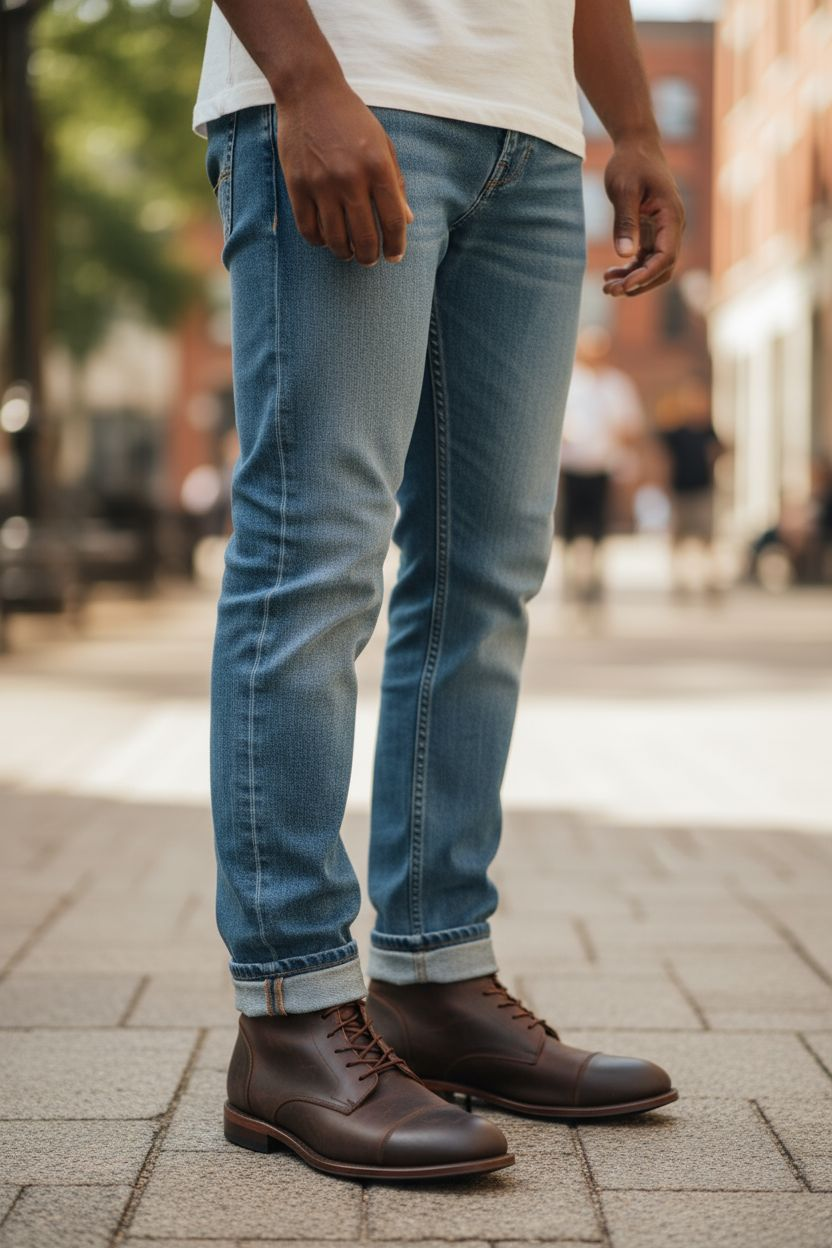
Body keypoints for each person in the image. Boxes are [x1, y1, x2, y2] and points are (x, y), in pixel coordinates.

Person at [194, 0, 685, 1180]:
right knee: (316, 555)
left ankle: (434, 976)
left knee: (488, 571)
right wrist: (305, 79)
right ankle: (292, 1015)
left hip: (529, 131)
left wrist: (631, 127)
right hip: (348, 88)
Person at [559, 326, 645, 601]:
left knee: (599, 526)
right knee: (570, 526)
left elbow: (633, 427)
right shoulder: (570, 383)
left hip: (602, 466)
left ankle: (595, 579)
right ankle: (572, 578)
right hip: (572, 466)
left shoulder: (617, 385)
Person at [657, 377, 722, 596]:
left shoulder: (707, 429)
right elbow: (659, 442)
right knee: (678, 538)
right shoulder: (677, 431)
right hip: (680, 490)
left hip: (702, 489)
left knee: (707, 538)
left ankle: (710, 579)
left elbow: (721, 448)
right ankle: (679, 580)